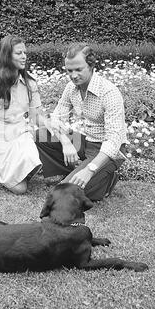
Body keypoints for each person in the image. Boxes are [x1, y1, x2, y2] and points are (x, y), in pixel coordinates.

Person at [36, 43, 127, 202]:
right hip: (87, 142)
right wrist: (65, 142)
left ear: (91, 66)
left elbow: (113, 141)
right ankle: (80, 172)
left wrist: (90, 170)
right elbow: (56, 118)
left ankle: (103, 179)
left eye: (78, 69)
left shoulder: (109, 93)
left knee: (62, 196)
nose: (73, 75)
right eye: (69, 70)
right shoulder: (71, 88)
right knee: (41, 135)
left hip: (109, 152)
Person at [0, 35, 42, 195]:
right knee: (20, 189)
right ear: (6, 56)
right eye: (19, 53)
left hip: (21, 134)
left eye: (25, 52)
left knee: (33, 162)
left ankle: (17, 171)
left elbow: (36, 116)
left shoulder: (30, 84)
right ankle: (5, 174)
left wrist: (60, 133)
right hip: (1, 139)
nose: (24, 56)